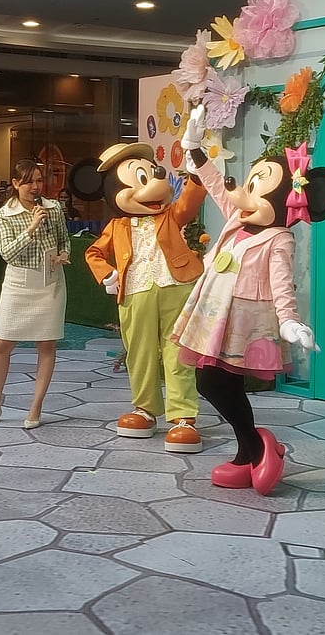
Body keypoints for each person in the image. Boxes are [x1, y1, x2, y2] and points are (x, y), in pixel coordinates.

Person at [173, 105, 325, 495]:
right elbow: (216, 183)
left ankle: (253, 448)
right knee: (210, 382)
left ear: (283, 202)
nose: (242, 193)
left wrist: (289, 320)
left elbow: (283, 284)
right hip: (215, 315)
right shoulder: (237, 217)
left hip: (246, 323)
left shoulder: (278, 238)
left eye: (255, 188)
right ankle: (252, 449)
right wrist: (193, 146)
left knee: (217, 382)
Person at [79, 142, 207, 453]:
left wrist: (196, 171)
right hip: (135, 292)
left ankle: (182, 417)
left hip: (175, 287)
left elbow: (188, 203)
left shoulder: (169, 216)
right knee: (139, 353)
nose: (152, 186)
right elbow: (93, 252)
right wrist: (106, 273)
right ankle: (145, 409)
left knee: (178, 352)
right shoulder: (117, 225)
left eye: (152, 176)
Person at [0, 158, 71, 429]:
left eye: (39, 180)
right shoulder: (4, 214)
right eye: (29, 181)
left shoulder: (54, 208)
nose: (36, 186)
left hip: (50, 281)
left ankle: (36, 406)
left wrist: (64, 254)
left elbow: (65, 240)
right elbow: (7, 253)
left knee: (46, 345)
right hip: (18, 283)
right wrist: (31, 227)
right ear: (16, 184)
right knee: (2, 345)